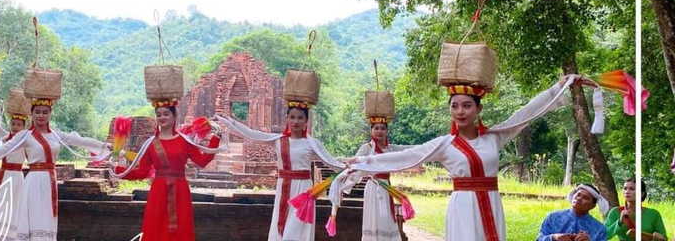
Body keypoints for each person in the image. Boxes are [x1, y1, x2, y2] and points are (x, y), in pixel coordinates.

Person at [332, 75, 596, 241]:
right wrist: (362, 163)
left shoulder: (494, 137)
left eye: (467, 105)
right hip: (462, 207)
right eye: (454, 105)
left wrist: (559, 87)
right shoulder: (444, 144)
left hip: (491, 204)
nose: (460, 111)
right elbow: (407, 156)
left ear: (479, 109)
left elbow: (525, 115)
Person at [0, 97, 111, 241]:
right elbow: (3, 150)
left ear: (50, 114)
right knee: (33, 216)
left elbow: (81, 141)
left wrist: (105, 147)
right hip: (33, 180)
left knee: (46, 217)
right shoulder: (24, 135)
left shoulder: (57, 135)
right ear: (32, 114)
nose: (41, 115)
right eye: (37, 112)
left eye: (44, 112)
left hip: (49, 181)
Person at [216, 101, 346, 241]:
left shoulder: (312, 144)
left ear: (306, 121)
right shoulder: (278, 140)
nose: (296, 121)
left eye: (300, 118)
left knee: (298, 229)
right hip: (283, 188)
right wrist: (226, 120)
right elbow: (251, 134)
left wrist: (360, 166)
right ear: (287, 119)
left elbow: (334, 164)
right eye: (292, 117)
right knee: (281, 228)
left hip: (304, 191)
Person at [109, 100, 227, 241]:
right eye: (158, 115)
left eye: (166, 114)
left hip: (180, 190)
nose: (162, 118)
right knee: (155, 227)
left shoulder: (185, 141)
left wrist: (215, 139)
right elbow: (142, 172)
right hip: (158, 192)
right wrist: (116, 168)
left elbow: (202, 161)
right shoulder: (151, 143)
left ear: (174, 115)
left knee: (181, 227)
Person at [536, 184, 607, 241]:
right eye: (578, 195)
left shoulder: (599, 229)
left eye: (585, 198)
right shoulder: (553, 217)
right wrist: (553, 237)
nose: (579, 198)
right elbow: (539, 238)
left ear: (593, 206)